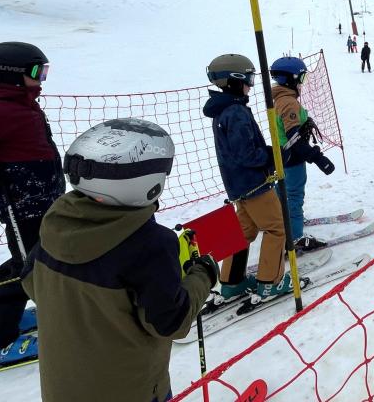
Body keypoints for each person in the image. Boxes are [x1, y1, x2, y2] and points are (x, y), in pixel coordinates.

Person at [22, 118, 216, 401]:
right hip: (130, 389)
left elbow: (31, 284)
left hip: (62, 389)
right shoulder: (149, 243)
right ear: (147, 182)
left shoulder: (57, 224)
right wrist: (203, 275)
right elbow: (171, 322)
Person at [0, 42, 65, 371]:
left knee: (37, 261)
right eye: (38, 72)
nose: (43, 79)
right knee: (26, 268)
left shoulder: (19, 103)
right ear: (10, 75)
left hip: (41, 202)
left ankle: (5, 320)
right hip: (21, 206)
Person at [203, 54, 291, 304]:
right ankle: (269, 283)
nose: (251, 85)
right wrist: (272, 155)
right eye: (248, 79)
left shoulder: (222, 111)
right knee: (277, 228)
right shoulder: (236, 112)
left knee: (243, 232)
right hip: (254, 185)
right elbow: (248, 154)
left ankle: (231, 282)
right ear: (234, 81)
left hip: (238, 185)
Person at [269, 56, 335, 252]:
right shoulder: (288, 102)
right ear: (291, 78)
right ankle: (296, 237)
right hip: (293, 159)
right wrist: (318, 158)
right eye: (301, 78)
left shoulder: (277, 99)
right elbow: (295, 138)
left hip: (282, 156)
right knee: (294, 195)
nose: (302, 83)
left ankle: (280, 221)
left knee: (282, 192)